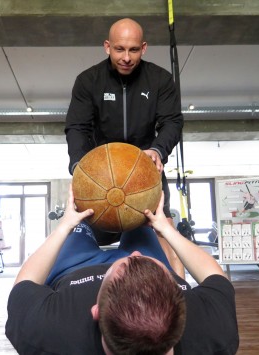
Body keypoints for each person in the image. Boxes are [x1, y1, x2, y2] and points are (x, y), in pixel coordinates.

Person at [6, 186, 239, 354]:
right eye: (143, 262)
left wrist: (65, 225)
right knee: (140, 218)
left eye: (129, 262)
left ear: (95, 311)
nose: (134, 255)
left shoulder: (46, 333)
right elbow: (214, 275)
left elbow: (26, 281)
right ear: (183, 313)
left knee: (81, 220)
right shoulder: (213, 332)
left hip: (74, 268)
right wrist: (166, 230)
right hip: (122, 270)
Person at [64, 17, 184, 273]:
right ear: (107, 46)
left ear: (144, 48)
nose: (126, 57)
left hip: (146, 170)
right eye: (120, 49)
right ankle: (73, 298)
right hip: (101, 175)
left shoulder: (160, 80)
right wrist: (79, 165)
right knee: (74, 235)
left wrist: (158, 149)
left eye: (133, 50)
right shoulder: (88, 81)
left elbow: (172, 122)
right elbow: (77, 127)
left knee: (166, 235)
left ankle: (182, 293)